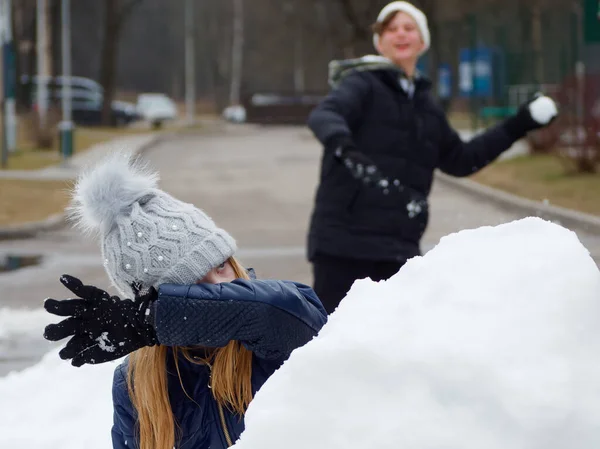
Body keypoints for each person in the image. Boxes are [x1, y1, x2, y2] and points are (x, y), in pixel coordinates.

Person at [42, 152, 327, 449]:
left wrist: (151, 319)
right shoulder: (136, 383)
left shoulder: (278, 320)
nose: (220, 284)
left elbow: (281, 314)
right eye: (194, 285)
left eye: (220, 266)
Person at [306, 1, 558, 314]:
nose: (400, 34)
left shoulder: (426, 106)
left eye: (409, 28)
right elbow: (325, 115)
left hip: (398, 248)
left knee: (393, 348)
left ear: (422, 42)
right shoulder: (361, 84)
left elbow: (462, 159)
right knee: (332, 344)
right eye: (391, 28)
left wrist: (522, 122)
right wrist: (347, 150)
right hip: (342, 246)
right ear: (379, 41)